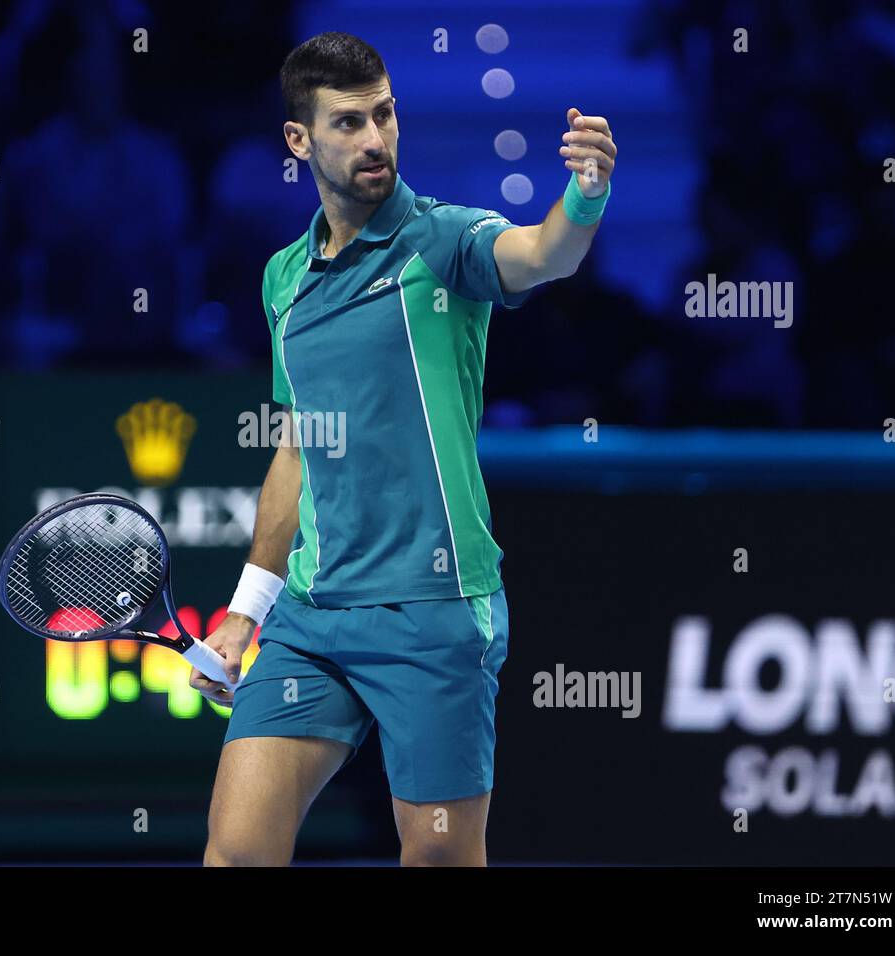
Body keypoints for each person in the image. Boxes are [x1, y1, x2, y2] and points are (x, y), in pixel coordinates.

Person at [191, 31, 616, 866]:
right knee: (237, 852)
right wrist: (247, 613)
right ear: (299, 140)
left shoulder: (445, 241)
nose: (376, 139)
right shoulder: (284, 279)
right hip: (313, 618)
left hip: (434, 613)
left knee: (440, 858)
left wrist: (587, 192)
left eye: (384, 115)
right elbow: (295, 453)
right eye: (348, 122)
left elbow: (542, 253)